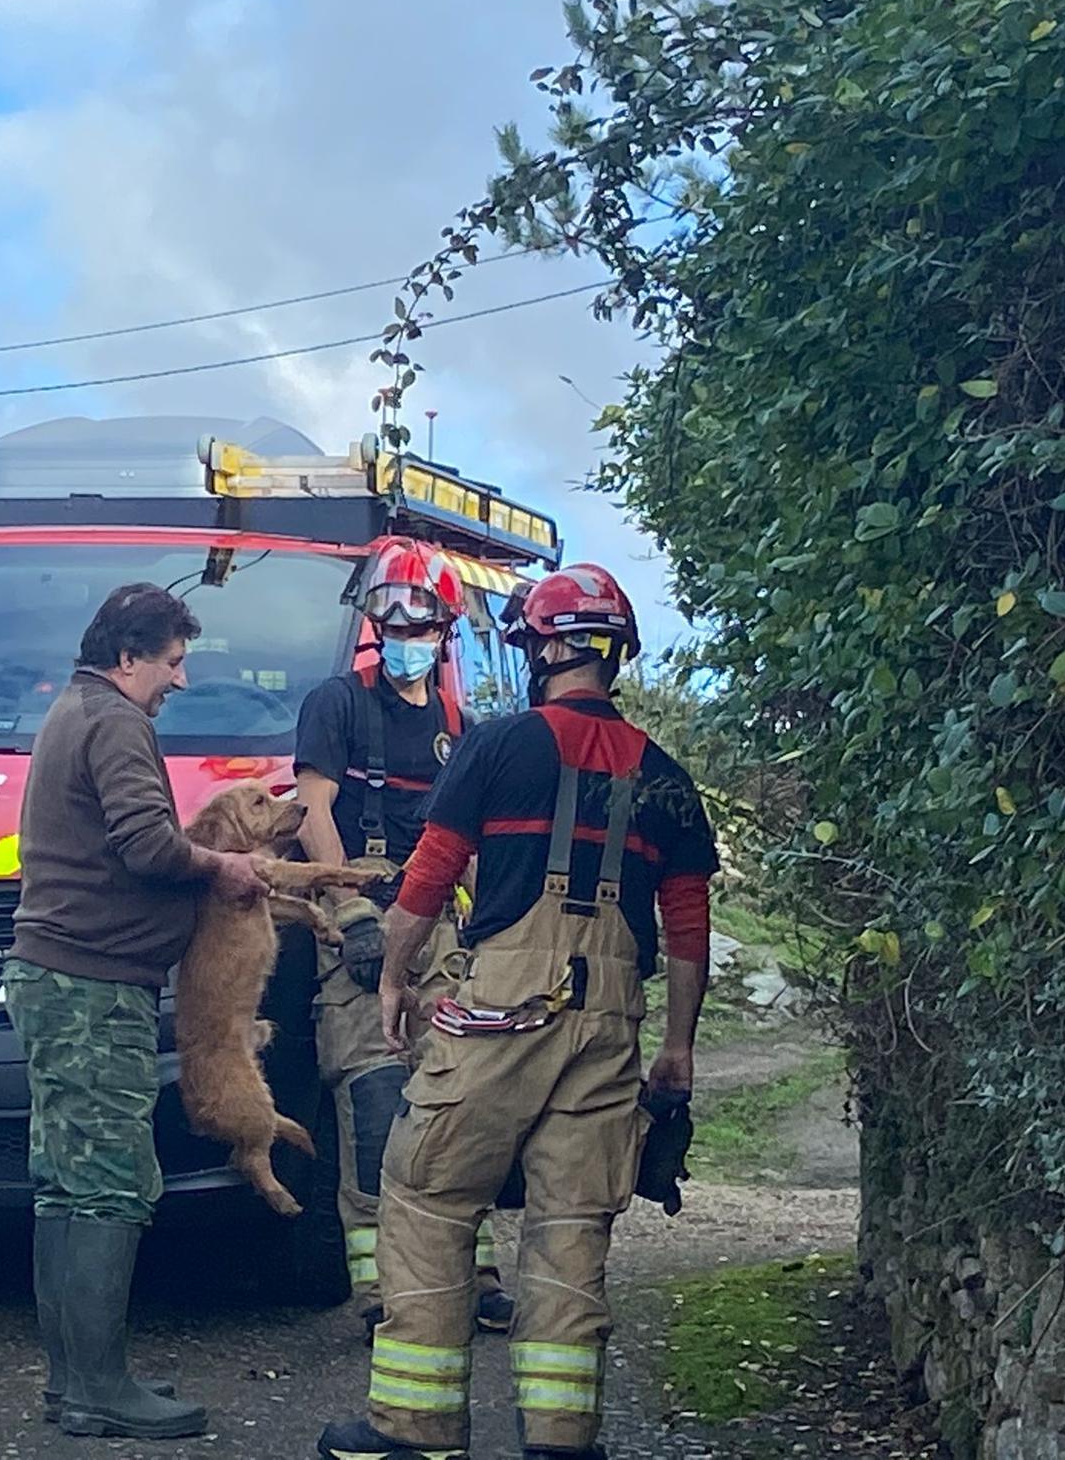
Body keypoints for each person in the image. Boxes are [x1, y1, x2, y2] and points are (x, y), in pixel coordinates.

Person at [319, 564, 718, 1460]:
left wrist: (394, 977)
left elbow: (431, 871)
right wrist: (678, 1050)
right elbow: (688, 928)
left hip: (502, 1011)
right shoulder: (667, 778)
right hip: (608, 1027)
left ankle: (413, 1429)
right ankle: (561, 1439)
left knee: (425, 1193)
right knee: (572, 1223)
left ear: (543, 648)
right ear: (615, 657)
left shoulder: (497, 746)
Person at [5, 582, 269, 1442]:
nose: (179, 681)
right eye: (173, 662)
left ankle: (73, 1376)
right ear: (129, 658)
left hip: (54, 976)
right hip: (92, 986)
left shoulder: (69, 712)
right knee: (111, 1183)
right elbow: (149, 846)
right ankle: (101, 1386)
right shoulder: (117, 724)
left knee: (63, 1184)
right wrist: (221, 870)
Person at [292, 538, 513, 1340]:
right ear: (370, 621)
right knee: (375, 1100)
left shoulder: (464, 727)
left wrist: (493, 937)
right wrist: (349, 914)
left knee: (458, 1106)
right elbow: (314, 812)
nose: (404, 633)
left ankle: (474, 1275)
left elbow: (480, 847)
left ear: (445, 629)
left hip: (442, 935)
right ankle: (382, 1286)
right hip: (360, 922)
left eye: (420, 621)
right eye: (390, 618)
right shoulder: (337, 705)